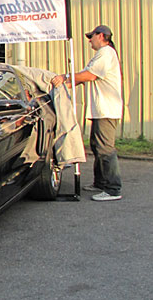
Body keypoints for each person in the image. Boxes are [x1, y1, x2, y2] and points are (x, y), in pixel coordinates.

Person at [51, 25, 123, 202]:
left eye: (92, 36)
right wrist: (65, 83)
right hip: (100, 110)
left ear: (101, 36)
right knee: (97, 146)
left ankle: (113, 188)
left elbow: (89, 76)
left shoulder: (106, 53)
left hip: (107, 110)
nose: (89, 40)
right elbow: (84, 77)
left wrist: (65, 77)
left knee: (105, 149)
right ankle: (100, 182)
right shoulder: (100, 55)